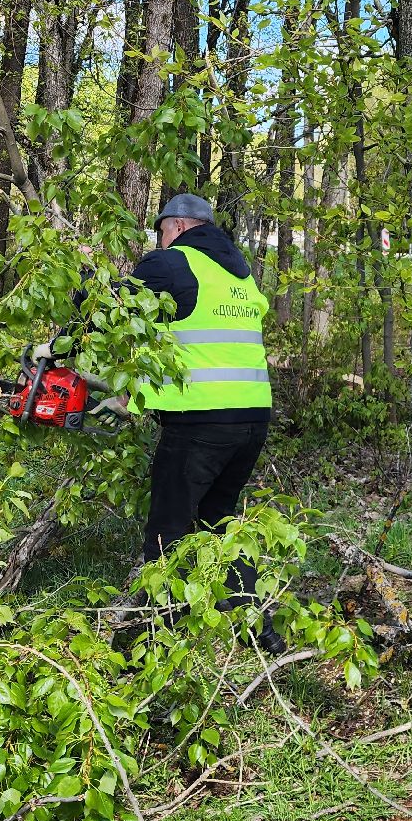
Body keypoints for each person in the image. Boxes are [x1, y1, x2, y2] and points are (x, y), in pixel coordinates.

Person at [129, 194, 273, 574]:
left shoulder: (172, 262)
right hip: (253, 417)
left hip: (201, 419)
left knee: (167, 532)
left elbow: (111, 307)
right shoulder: (239, 273)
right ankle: (250, 611)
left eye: (162, 232)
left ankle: (164, 611)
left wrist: (57, 345)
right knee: (219, 523)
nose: (160, 241)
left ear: (177, 226)